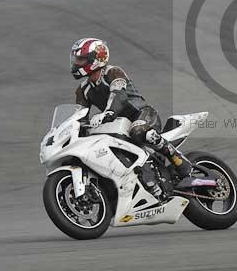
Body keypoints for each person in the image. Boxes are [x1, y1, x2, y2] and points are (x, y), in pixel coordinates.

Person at [70, 37, 192, 178]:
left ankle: (178, 159)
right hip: (118, 124)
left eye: (80, 59)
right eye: (76, 59)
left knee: (138, 131)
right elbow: (79, 116)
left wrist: (108, 112)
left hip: (142, 114)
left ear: (95, 59)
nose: (76, 63)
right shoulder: (83, 90)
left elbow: (119, 95)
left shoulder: (113, 72)